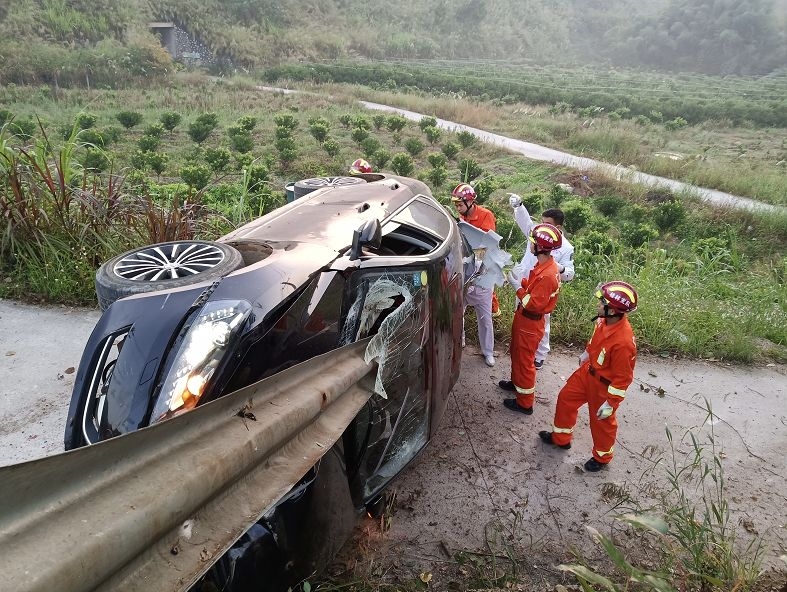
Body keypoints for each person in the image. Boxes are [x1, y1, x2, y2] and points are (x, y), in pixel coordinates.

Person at [538, 281, 638, 472]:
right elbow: (596, 342)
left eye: (602, 304)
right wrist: (587, 353)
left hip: (603, 386)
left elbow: (623, 378)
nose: (598, 306)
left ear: (613, 311)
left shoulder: (624, 342)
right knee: (566, 399)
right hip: (587, 373)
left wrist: (611, 403)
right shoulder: (604, 321)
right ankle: (561, 438)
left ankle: (602, 457)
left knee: (602, 423)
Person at [499, 223, 562, 415]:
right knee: (517, 352)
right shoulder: (544, 266)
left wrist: (516, 286)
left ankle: (525, 403)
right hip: (524, 319)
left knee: (525, 361)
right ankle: (516, 384)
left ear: (541, 247)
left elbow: (532, 303)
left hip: (530, 321)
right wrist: (523, 281)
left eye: (533, 242)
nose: (530, 245)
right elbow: (532, 289)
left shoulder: (548, 275)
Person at [508, 194, 575, 369]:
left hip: (542, 286)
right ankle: (520, 347)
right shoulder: (538, 233)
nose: (542, 226)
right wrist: (519, 206)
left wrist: (557, 269)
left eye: (547, 223)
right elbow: (526, 223)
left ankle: (539, 354)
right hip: (526, 281)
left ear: (558, 226)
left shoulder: (566, 247)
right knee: (521, 314)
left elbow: (570, 273)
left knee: (541, 320)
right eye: (542, 222)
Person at [451, 183, 497, 367]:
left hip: (482, 277)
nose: (457, 206)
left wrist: (477, 261)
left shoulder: (486, 216)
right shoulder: (460, 219)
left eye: (459, 202)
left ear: (470, 201)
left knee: (485, 318)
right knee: (458, 313)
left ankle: (488, 352)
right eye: (455, 203)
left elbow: (487, 242)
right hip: (465, 275)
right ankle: (459, 342)